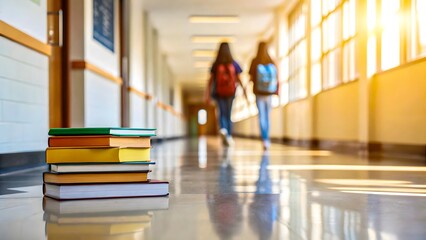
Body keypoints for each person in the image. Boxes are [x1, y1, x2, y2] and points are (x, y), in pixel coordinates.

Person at [206, 42, 247, 146]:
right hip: (231, 92)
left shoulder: (216, 64)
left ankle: (223, 129)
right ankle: (228, 135)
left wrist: (207, 95)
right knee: (229, 114)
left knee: (221, 113)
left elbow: (210, 81)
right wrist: (244, 91)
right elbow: (239, 78)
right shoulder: (234, 63)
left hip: (219, 92)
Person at [248, 42, 279, 150]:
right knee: (267, 116)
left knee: (261, 116)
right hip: (269, 93)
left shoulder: (254, 61)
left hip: (258, 93)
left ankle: (264, 139)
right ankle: (267, 139)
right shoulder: (271, 61)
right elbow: (277, 77)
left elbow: (251, 78)